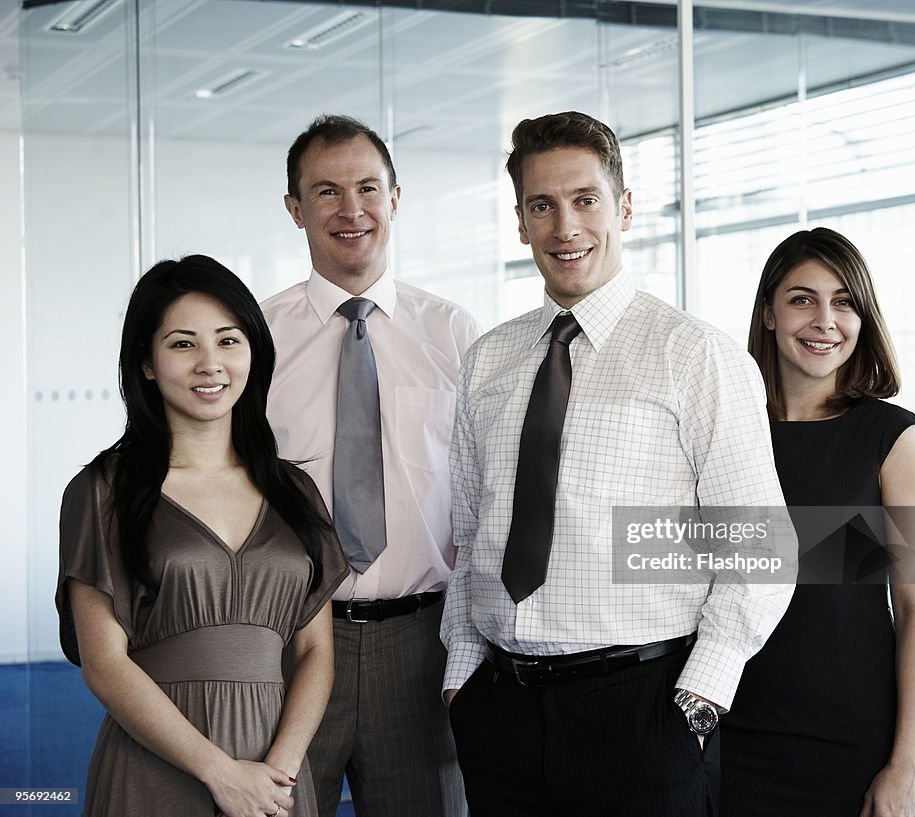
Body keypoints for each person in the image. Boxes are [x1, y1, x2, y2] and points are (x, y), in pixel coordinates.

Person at [439, 110, 796, 817]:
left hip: (644, 708)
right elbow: (473, 533)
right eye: (542, 205)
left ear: (624, 207)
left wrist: (697, 700)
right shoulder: (489, 360)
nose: (565, 226)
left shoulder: (693, 354)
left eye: (585, 200)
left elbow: (759, 545)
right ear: (520, 222)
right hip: (502, 712)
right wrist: (461, 677)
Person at [55, 255, 348, 817]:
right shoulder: (100, 492)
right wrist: (221, 774)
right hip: (155, 764)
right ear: (146, 363)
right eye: (183, 344)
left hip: (274, 774)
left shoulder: (296, 492)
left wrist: (276, 775)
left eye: (229, 340)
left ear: (254, 352)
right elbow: (104, 663)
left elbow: (315, 653)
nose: (210, 364)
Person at [262, 114, 479, 817]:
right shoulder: (255, 340)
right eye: (326, 192)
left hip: (422, 644)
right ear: (295, 208)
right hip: (293, 639)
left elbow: (486, 493)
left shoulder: (454, 333)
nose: (350, 210)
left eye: (366, 188)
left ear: (395, 198)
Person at [720, 227, 915, 817]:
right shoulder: (726, 432)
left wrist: (905, 766)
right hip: (727, 735)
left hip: (852, 744)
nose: (825, 320)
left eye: (844, 301)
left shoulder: (892, 437)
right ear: (768, 313)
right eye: (802, 299)